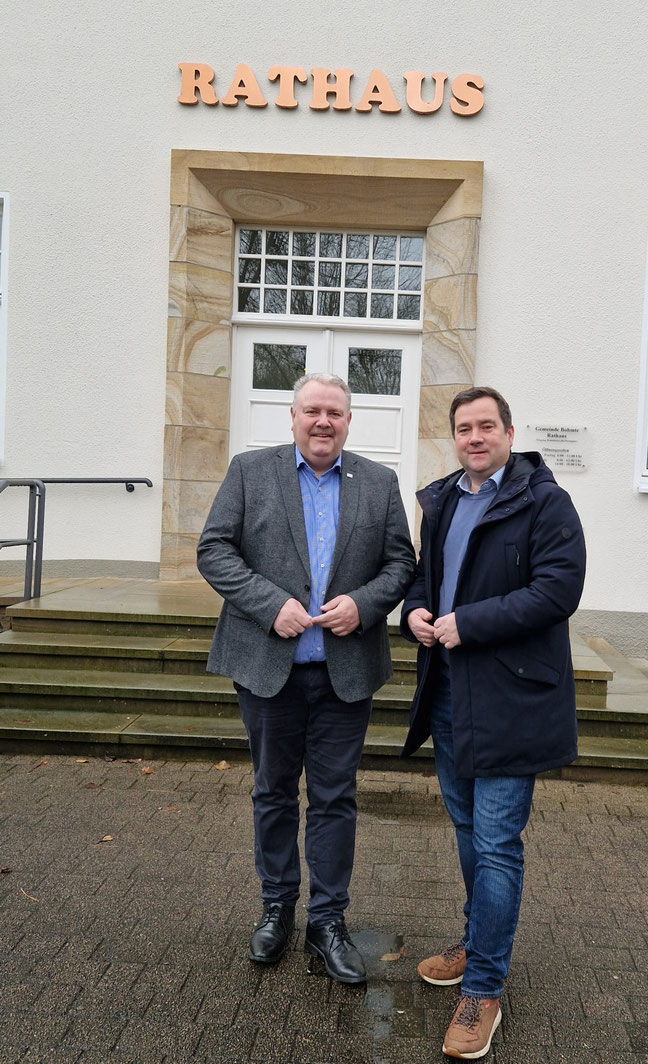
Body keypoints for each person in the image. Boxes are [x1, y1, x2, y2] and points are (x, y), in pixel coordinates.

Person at [197, 372, 415, 984]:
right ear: (292, 416)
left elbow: (402, 563)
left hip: (344, 673)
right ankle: (276, 908)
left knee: (334, 797)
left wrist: (364, 605)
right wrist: (271, 605)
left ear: (348, 422)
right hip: (269, 670)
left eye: (335, 413)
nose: (323, 421)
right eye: (312, 411)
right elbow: (214, 550)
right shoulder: (250, 471)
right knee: (272, 791)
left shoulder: (379, 482)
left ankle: (327, 920)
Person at [401, 386, 586, 1057]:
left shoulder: (545, 502)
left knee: (498, 842)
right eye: (463, 428)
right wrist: (414, 612)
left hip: (512, 699)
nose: (475, 437)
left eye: (486, 426)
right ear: (454, 437)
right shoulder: (443, 500)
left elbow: (558, 590)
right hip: (450, 694)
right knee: (468, 830)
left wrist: (468, 623)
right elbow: (425, 578)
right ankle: (477, 940)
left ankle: (483, 989)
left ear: (509, 432)